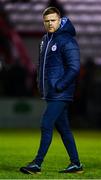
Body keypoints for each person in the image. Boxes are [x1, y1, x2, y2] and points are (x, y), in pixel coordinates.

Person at [20, 7, 83, 174]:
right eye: (46, 21)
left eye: (53, 20)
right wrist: (40, 85)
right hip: (51, 92)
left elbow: (74, 67)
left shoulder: (67, 40)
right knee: (63, 128)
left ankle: (37, 164)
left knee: (46, 123)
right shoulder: (45, 40)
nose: (49, 23)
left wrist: (60, 85)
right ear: (43, 22)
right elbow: (41, 66)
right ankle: (76, 164)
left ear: (59, 20)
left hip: (61, 92)